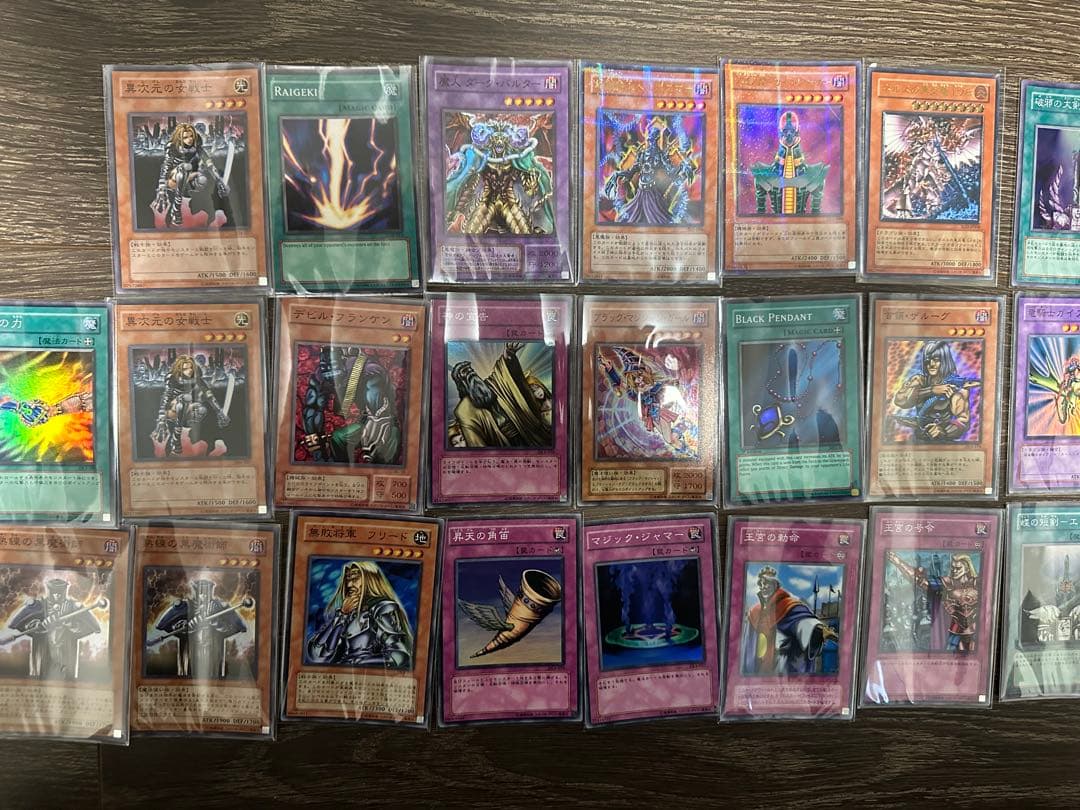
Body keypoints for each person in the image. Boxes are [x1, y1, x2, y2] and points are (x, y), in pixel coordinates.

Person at [306, 561, 413, 668]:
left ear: (369, 580)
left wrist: (359, 663)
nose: (349, 585)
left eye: (355, 578)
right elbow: (317, 655)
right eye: (348, 579)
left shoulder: (382, 608)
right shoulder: (347, 613)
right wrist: (342, 615)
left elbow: (399, 656)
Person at [449, 342, 552, 449]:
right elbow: (476, 443)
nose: (470, 372)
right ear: (460, 383)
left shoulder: (492, 384)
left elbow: (503, 373)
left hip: (525, 431)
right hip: (503, 445)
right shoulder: (464, 411)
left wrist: (508, 355)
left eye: (470, 370)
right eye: (465, 373)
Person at [743, 566, 836, 675]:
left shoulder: (788, 605)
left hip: (781, 664)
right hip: (760, 664)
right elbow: (749, 642)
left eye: (767, 583)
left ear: (775, 585)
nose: (763, 587)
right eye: (761, 584)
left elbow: (802, 620)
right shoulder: (755, 610)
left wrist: (819, 630)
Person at [3, 578, 100, 680]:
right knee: (40, 678)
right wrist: (37, 625)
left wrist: (69, 623)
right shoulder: (38, 605)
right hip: (43, 650)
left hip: (65, 651)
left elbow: (90, 628)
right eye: (54, 592)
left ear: (64, 591)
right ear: (49, 591)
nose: (57, 595)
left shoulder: (73, 606)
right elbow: (19, 624)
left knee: (66, 679)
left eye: (60, 592)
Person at [152, 579, 247, 680]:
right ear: (195, 591)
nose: (204, 595)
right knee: (188, 674)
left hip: (213, 651)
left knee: (214, 675)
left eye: (207, 592)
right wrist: (183, 627)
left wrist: (216, 622)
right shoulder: (185, 606)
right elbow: (164, 625)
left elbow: (237, 628)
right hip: (190, 652)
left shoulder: (219, 606)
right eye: (201, 592)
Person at [887, 552, 979, 653]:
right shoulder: (946, 584)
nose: (954, 571)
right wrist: (898, 562)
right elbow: (919, 580)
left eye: (958, 568)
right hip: (956, 635)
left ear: (967, 569)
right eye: (953, 568)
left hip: (977, 633)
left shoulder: (977, 583)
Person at [891, 341, 975, 442]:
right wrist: (931, 390)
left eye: (936, 360)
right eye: (928, 360)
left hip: (942, 440)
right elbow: (901, 401)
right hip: (917, 439)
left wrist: (944, 431)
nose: (931, 364)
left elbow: (963, 422)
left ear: (944, 361)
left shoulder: (956, 388)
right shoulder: (919, 380)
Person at [153, 123, 230, 228]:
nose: (189, 139)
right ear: (180, 138)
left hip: (189, 178)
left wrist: (219, 180)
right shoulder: (173, 147)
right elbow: (166, 166)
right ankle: (176, 209)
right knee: (186, 167)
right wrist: (162, 187)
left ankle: (193, 201)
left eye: (191, 136)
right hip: (173, 178)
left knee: (202, 180)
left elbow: (209, 164)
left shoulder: (196, 146)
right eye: (185, 137)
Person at [152, 354, 230, 457]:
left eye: (190, 368)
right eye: (185, 369)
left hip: (185, 410)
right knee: (186, 397)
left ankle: (187, 431)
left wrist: (219, 412)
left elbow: (208, 394)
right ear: (179, 369)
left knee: (201, 409)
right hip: (171, 409)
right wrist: (162, 420)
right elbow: (166, 397)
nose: (189, 371)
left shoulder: (196, 377)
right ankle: (176, 441)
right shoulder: (172, 377)